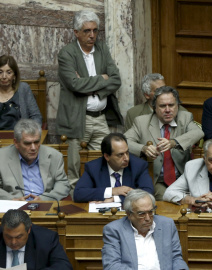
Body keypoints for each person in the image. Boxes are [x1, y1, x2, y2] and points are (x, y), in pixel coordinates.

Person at [57, 10, 123, 197]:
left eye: (95, 30)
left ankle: (100, 198)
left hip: (101, 119)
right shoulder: (67, 54)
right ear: (76, 32)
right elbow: (74, 84)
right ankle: (75, 203)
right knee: (74, 167)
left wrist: (90, 85)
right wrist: (102, 79)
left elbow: (116, 80)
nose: (92, 35)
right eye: (86, 31)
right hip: (77, 119)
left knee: (104, 162)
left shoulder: (102, 49)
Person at [125, 86, 204, 200]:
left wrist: (174, 142)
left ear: (177, 106)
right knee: (168, 198)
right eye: (162, 106)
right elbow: (123, 141)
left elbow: (198, 132)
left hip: (182, 178)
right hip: (156, 180)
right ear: (154, 108)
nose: (167, 110)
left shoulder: (185, 117)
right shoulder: (141, 122)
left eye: (171, 105)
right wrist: (143, 148)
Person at [102, 189, 188, 270]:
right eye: (141, 214)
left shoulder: (167, 225)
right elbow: (112, 265)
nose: (148, 218)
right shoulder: (114, 230)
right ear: (129, 214)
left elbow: (176, 258)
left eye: (150, 212)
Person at [0, 119, 69, 200]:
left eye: (36, 142)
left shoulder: (55, 156)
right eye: (27, 143)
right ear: (16, 143)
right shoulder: (2, 157)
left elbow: (63, 184)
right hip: (13, 208)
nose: (33, 148)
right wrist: (12, 200)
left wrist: (44, 199)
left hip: (45, 206)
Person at [73, 133, 153, 202]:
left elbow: (148, 193)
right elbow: (79, 194)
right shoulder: (93, 167)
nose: (126, 158)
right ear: (107, 156)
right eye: (120, 155)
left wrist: (116, 199)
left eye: (127, 152)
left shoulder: (138, 165)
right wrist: (113, 191)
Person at [0, 209, 72, 269]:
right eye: (8, 237)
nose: (13, 242)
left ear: (29, 230)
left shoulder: (46, 238)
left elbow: (64, 266)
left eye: (19, 237)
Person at [0, 55, 42, 130]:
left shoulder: (23, 89)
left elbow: (36, 116)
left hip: (20, 137)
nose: (4, 76)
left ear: (14, 76)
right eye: (0, 72)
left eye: (8, 72)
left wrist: (28, 134)